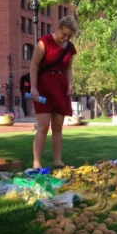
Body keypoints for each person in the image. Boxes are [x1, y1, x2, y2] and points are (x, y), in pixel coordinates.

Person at [29, 16, 78, 169]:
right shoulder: (44, 42)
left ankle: (58, 160)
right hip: (43, 88)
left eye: (69, 36)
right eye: (64, 34)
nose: (65, 39)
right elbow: (34, 65)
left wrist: (70, 84)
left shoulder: (69, 48)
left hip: (60, 88)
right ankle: (37, 162)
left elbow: (68, 68)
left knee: (58, 127)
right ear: (59, 28)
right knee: (43, 126)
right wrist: (34, 86)